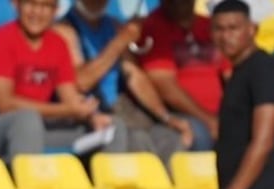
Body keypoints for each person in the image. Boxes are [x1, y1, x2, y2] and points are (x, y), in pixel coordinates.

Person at [0, 0, 127, 163]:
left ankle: (110, 186)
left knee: (112, 126)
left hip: (40, 127)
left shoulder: (57, 44)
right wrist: (67, 110)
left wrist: (90, 115)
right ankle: (30, 186)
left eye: (46, 6)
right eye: (31, 4)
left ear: (55, 11)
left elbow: (69, 96)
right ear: (16, 5)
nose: (37, 13)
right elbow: (4, 104)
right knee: (27, 121)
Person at [53, 0, 194, 164]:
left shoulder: (114, 26)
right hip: (90, 116)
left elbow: (135, 76)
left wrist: (166, 117)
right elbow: (82, 81)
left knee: (169, 138)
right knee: (136, 140)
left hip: (122, 109)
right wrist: (120, 42)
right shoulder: (64, 29)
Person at [212, 0, 274, 189]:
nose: (226, 36)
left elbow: (264, 141)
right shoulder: (239, 73)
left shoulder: (264, 70)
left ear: (252, 29)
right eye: (219, 29)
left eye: (233, 28)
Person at [135, 0, 226, 151]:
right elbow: (166, 87)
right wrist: (208, 119)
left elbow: (231, 74)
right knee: (200, 134)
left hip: (222, 111)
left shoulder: (210, 26)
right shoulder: (152, 27)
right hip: (182, 114)